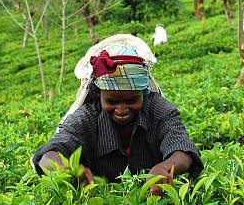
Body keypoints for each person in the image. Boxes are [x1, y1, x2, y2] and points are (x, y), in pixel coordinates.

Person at [31, 34, 203, 195]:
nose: (121, 110)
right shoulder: (87, 116)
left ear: (144, 93)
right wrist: (68, 169)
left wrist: (165, 168)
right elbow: (48, 156)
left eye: (131, 101)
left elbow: (183, 150)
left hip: (153, 204)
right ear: (99, 95)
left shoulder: (158, 108)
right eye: (112, 101)